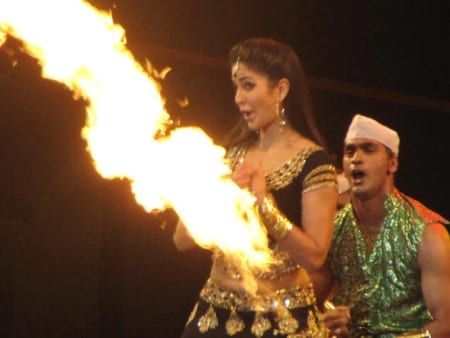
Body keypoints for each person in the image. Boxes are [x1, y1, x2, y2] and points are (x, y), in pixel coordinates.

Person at [173, 38, 338, 337]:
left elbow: (315, 258)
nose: (237, 98)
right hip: (215, 315)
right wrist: (220, 198)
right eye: (236, 86)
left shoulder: (314, 163)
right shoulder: (228, 154)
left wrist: (264, 204)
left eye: (248, 86)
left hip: (282, 320)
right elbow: (181, 239)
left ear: (280, 90)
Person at [323, 114, 450, 337]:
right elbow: (314, 299)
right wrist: (328, 318)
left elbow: (446, 324)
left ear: (392, 163)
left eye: (368, 150)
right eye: (350, 151)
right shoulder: (332, 229)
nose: (356, 158)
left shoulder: (428, 233)